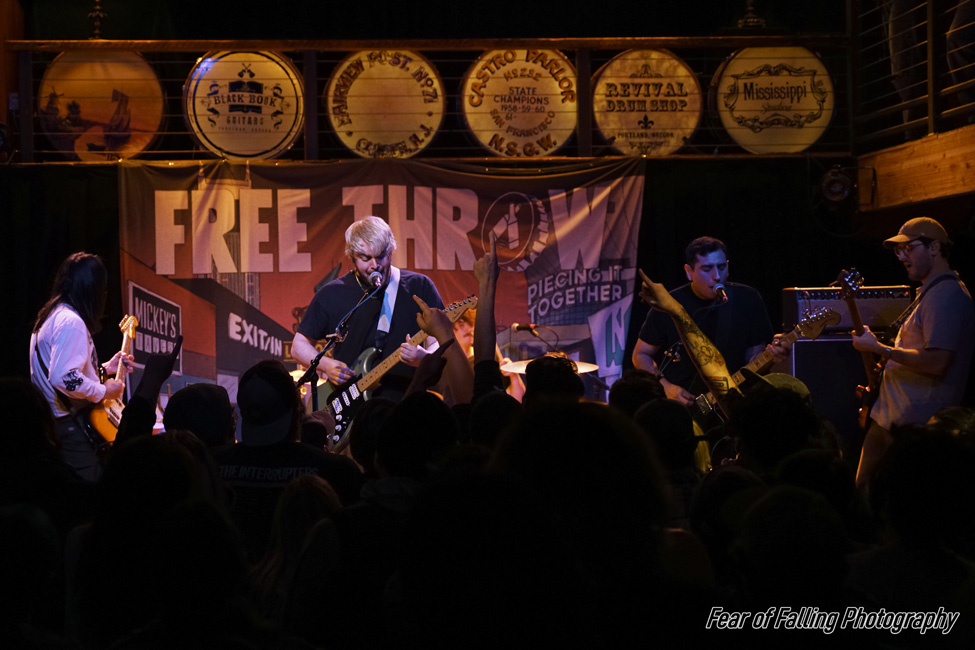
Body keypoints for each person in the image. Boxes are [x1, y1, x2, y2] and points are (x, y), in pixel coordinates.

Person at [852, 216, 975, 490]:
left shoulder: (946, 295)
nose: (901, 256)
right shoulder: (931, 292)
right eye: (899, 250)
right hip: (893, 420)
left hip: (912, 428)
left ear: (934, 248)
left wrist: (880, 348)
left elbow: (937, 362)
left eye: (909, 248)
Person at [291, 216, 444, 402]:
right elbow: (299, 346)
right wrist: (327, 365)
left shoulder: (420, 287)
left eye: (381, 256)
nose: (375, 265)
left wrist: (424, 358)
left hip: (407, 405)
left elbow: (441, 341)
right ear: (352, 256)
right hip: (351, 406)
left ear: (391, 251)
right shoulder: (331, 293)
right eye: (365, 258)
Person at [631, 236, 785, 407]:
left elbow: (753, 357)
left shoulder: (748, 299)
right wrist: (665, 386)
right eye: (707, 269)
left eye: (721, 267)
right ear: (689, 271)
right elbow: (640, 354)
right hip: (685, 405)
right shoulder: (669, 303)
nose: (717, 276)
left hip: (735, 403)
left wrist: (773, 355)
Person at [28, 252, 132, 482]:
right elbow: (64, 378)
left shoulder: (52, 315)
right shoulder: (71, 322)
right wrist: (105, 391)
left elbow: (62, 370)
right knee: (87, 492)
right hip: (70, 426)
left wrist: (105, 367)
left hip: (57, 424)